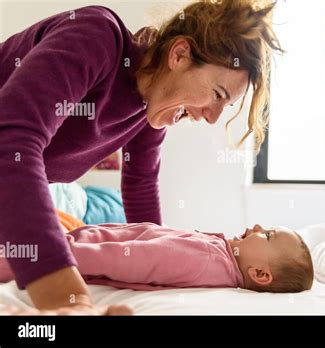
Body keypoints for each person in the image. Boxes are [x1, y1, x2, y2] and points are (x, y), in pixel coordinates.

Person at [0, 1, 283, 314]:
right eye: (217, 94)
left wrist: (161, 261)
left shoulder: (148, 111)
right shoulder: (95, 36)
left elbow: (140, 187)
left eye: (225, 106)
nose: (212, 118)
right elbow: (13, 141)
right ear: (179, 55)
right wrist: (64, 293)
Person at [0, 223, 313, 293]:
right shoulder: (219, 254)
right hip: (72, 238)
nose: (257, 226)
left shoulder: (206, 260)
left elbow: (125, 259)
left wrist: (49, 257)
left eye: (268, 235)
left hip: (58, 251)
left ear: (260, 274)